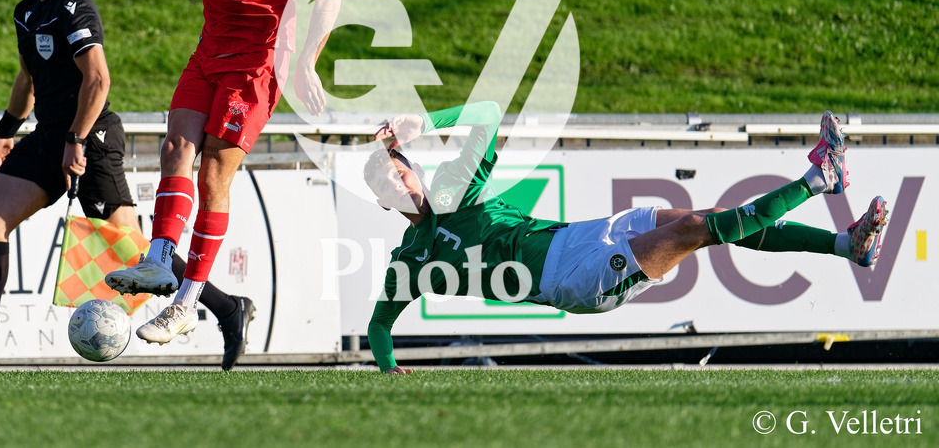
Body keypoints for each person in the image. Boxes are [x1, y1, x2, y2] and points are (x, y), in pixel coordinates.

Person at [0, 0, 254, 372]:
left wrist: (76, 140)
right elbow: (27, 78)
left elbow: (98, 81)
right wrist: (4, 131)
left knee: (137, 250)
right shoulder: (26, 12)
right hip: (48, 136)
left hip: (90, 137)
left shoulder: (74, 7)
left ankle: (228, 308)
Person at [362, 101, 890, 374]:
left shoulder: (455, 186)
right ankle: (819, 178)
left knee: (705, 218)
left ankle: (847, 246)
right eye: (387, 184)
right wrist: (388, 369)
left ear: (413, 168)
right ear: (386, 202)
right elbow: (379, 325)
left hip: (584, 235)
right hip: (570, 280)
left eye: (398, 170)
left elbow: (487, 117)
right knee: (697, 230)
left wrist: (425, 121)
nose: (398, 181)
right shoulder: (409, 260)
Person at [105, 0, 341, 346]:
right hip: (207, 53)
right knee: (174, 149)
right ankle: (159, 259)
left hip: (254, 68)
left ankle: (187, 303)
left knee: (214, 172)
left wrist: (306, 63)